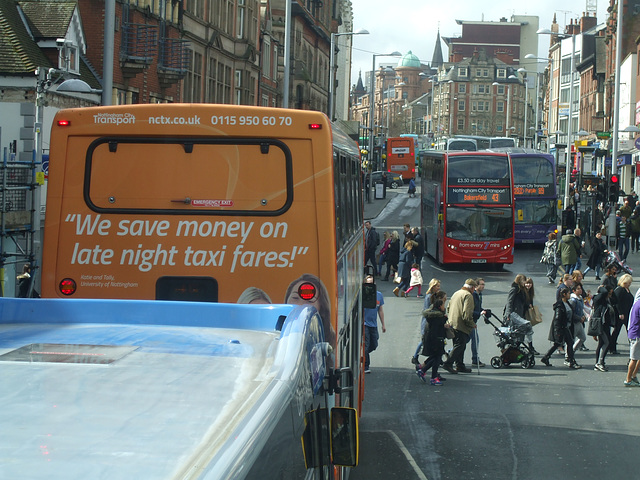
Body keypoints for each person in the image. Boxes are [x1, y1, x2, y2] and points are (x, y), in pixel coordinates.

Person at [285, 274, 334, 346]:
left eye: (310, 301)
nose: (301, 305)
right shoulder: (274, 335)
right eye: (295, 298)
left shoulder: (330, 347)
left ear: (321, 308)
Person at [441, 279, 477, 374]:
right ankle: (448, 363)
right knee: (460, 345)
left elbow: (448, 307)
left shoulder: (456, 293)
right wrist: (471, 323)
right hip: (460, 324)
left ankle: (460, 365)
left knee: (459, 345)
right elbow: (467, 313)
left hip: (452, 323)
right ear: (472, 288)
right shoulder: (468, 295)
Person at [540, 286, 581, 369]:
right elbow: (557, 320)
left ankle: (546, 357)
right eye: (569, 293)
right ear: (564, 294)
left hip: (566, 327)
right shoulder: (560, 306)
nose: (570, 295)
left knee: (559, 344)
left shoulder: (567, 304)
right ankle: (571, 361)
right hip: (562, 328)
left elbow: (571, 315)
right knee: (569, 343)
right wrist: (557, 332)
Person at [416, 296, 448, 385]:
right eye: (443, 305)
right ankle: (433, 377)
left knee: (436, 357)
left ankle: (423, 371)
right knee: (437, 358)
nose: (444, 307)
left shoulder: (433, 317)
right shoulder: (438, 318)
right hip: (437, 340)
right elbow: (435, 330)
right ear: (439, 306)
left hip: (434, 340)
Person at [411, 278, 441, 365]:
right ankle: (415, 356)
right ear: (433, 286)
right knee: (424, 340)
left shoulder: (434, 296)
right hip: (427, 322)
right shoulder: (429, 297)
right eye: (437, 286)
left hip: (432, 321)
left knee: (431, 340)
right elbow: (427, 310)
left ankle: (437, 358)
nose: (439, 288)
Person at [363, 274, 386, 374]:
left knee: (374, 344)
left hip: (374, 324)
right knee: (366, 345)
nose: (369, 286)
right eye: (368, 284)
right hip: (365, 323)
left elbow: (380, 310)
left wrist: (383, 324)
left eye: (371, 284)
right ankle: (366, 365)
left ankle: (363, 355)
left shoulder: (379, 295)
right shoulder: (362, 294)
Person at [591, 285, 616, 372]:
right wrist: (601, 287)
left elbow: (616, 299)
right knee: (607, 342)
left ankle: (599, 362)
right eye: (609, 293)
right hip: (601, 324)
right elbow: (604, 292)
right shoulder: (598, 299)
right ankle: (599, 363)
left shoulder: (606, 300)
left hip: (606, 325)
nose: (610, 294)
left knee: (601, 343)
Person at [611, 274, 634, 355]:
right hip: (621, 314)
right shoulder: (620, 290)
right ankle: (612, 347)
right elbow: (617, 302)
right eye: (628, 282)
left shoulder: (626, 289)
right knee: (617, 330)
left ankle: (632, 345)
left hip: (627, 313)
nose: (629, 284)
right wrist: (620, 313)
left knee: (628, 330)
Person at [624, 296, 640, 386]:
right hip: (636, 334)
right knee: (634, 358)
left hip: (635, 333)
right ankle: (628, 379)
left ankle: (633, 376)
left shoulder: (637, 303)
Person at [471, 278, 487, 366]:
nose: (483, 286)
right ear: (476, 286)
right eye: (482, 284)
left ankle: (450, 352)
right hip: (470, 321)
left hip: (474, 320)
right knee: (475, 339)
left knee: (466, 340)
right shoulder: (473, 295)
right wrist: (479, 313)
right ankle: (475, 359)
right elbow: (470, 310)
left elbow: (478, 307)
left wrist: (483, 310)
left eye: (484, 284)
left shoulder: (479, 295)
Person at [569, 284, 588, 353]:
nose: (580, 290)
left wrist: (583, 316)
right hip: (574, 322)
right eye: (578, 289)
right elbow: (571, 313)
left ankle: (573, 350)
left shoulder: (580, 298)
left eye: (580, 288)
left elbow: (581, 309)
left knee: (583, 338)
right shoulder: (573, 300)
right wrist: (579, 318)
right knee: (572, 339)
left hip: (579, 322)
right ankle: (568, 355)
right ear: (574, 291)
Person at [523, 277, 539, 355]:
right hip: (523, 315)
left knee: (528, 332)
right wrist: (528, 305)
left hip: (527, 314)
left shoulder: (530, 292)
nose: (528, 285)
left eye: (530, 283)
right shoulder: (523, 292)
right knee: (528, 332)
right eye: (527, 283)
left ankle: (530, 347)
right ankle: (530, 348)